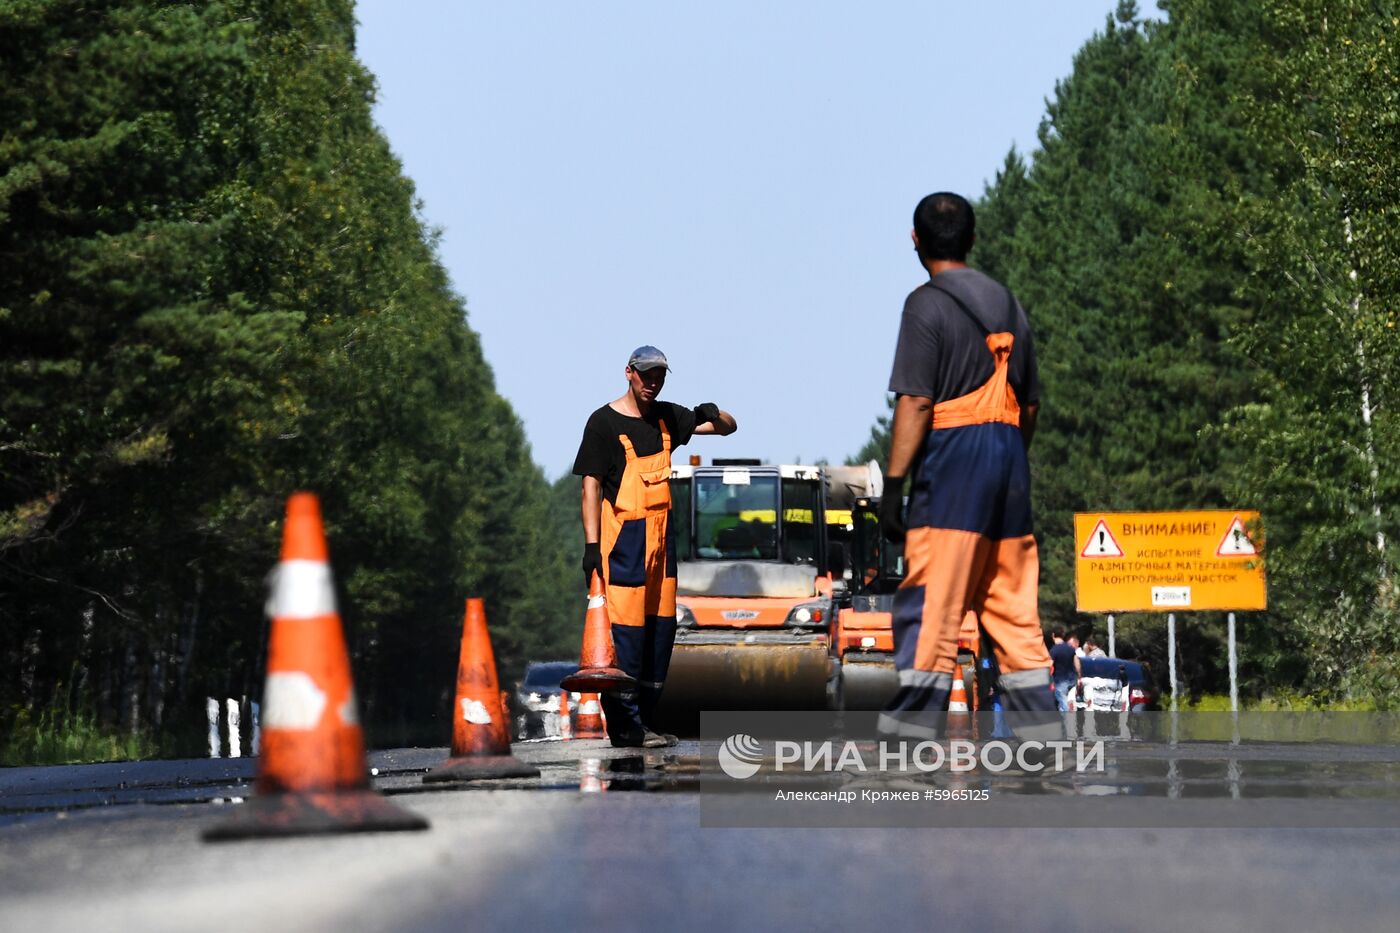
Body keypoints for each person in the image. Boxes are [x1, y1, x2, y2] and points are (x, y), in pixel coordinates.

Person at [877, 192, 1059, 743]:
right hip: (1009, 463)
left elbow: (916, 402)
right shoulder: (1008, 302)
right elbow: (1029, 404)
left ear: (915, 240)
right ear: (973, 240)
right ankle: (1042, 746)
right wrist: (1006, 462)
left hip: (954, 462)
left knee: (933, 603)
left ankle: (910, 744)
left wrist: (893, 486)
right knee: (1011, 611)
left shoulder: (925, 304)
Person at [572, 345, 737, 748]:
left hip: (662, 550)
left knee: (660, 637)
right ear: (629, 372)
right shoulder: (603, 423)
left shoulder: (668, 417)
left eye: (659, 376)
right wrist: (592, 546)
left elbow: (729, 428)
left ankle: (644, 722)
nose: (653, 382)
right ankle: (625, 726)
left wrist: (713, 413)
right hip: (624, 545)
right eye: (646, 374)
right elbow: (590, 486)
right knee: (626, 638)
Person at [1049, 628, 1081, 712]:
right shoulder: (1070, 649)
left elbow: (1049, 666)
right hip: (1072, 680)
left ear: (1053, 635)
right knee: (1069, 702)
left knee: (1064, 703)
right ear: (1063, 635)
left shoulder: (1054, 650)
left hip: (1061, 681)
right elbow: (1077, 663)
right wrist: (1079, 676)